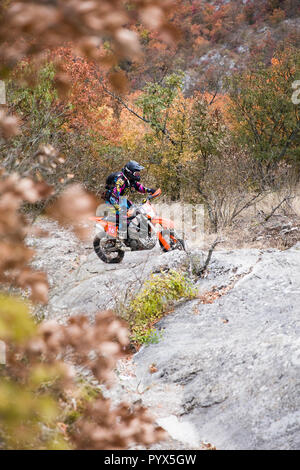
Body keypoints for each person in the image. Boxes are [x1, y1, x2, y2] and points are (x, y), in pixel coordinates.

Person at [104, 160, 156, 240]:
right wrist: (121, 209)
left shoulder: (130, 180)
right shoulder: (120, 181)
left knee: (137, 211)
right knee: (122, 217)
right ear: (129, 172)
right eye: (136, 173)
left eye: (138, 173)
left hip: (122, 200)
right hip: (112, 200)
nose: (138, 175)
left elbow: (139, 187)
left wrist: (150, 190)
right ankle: (119, 239)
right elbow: (113, 197)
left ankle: (137, 235)